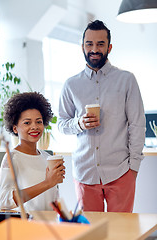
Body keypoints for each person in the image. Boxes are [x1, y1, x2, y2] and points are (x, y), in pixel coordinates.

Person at [58, 20, 146, 212]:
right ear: (82, 46)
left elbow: (137, 125)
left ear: (109, 47)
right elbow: (62, 124)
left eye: (100, 44)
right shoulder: (71, 85)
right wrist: (79, 123)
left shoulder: (127, 80)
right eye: (89, 44)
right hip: (84, 173)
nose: (94, 49)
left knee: (121, 233)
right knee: (91, 233)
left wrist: (133, 169)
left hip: (121, 172)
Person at [0, 92, 65, 211]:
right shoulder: (12, 158)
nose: (35, 127)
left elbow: (53, 198)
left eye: (39, 121)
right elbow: (2, 201)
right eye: (27, 123)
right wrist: (47, 183)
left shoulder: (46, 157)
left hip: (50, 224)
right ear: (15, 128)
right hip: (27, 225)